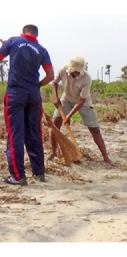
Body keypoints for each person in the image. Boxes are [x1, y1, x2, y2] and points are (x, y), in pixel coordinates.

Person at [0, 24, 54, 186]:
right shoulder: (41, 49)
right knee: (34, 133)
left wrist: (5, 46)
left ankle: (18, 176)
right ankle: (39, 172)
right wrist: (37, 85)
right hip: (33, 95)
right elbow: (50, 75)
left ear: (22, 32)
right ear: (36, 35)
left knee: (15, 134)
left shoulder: (14, 41)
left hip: (15, 94)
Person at [47, 56, 114, 165]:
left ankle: (105, 157)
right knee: (55, 124)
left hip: (83, 102)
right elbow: (54, 83)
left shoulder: (86, 79)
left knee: (94, 129)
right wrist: (55, 97)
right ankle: (53, 152)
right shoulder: (63, 70)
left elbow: (82, 100)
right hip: (66, 98)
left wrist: (69, 116)